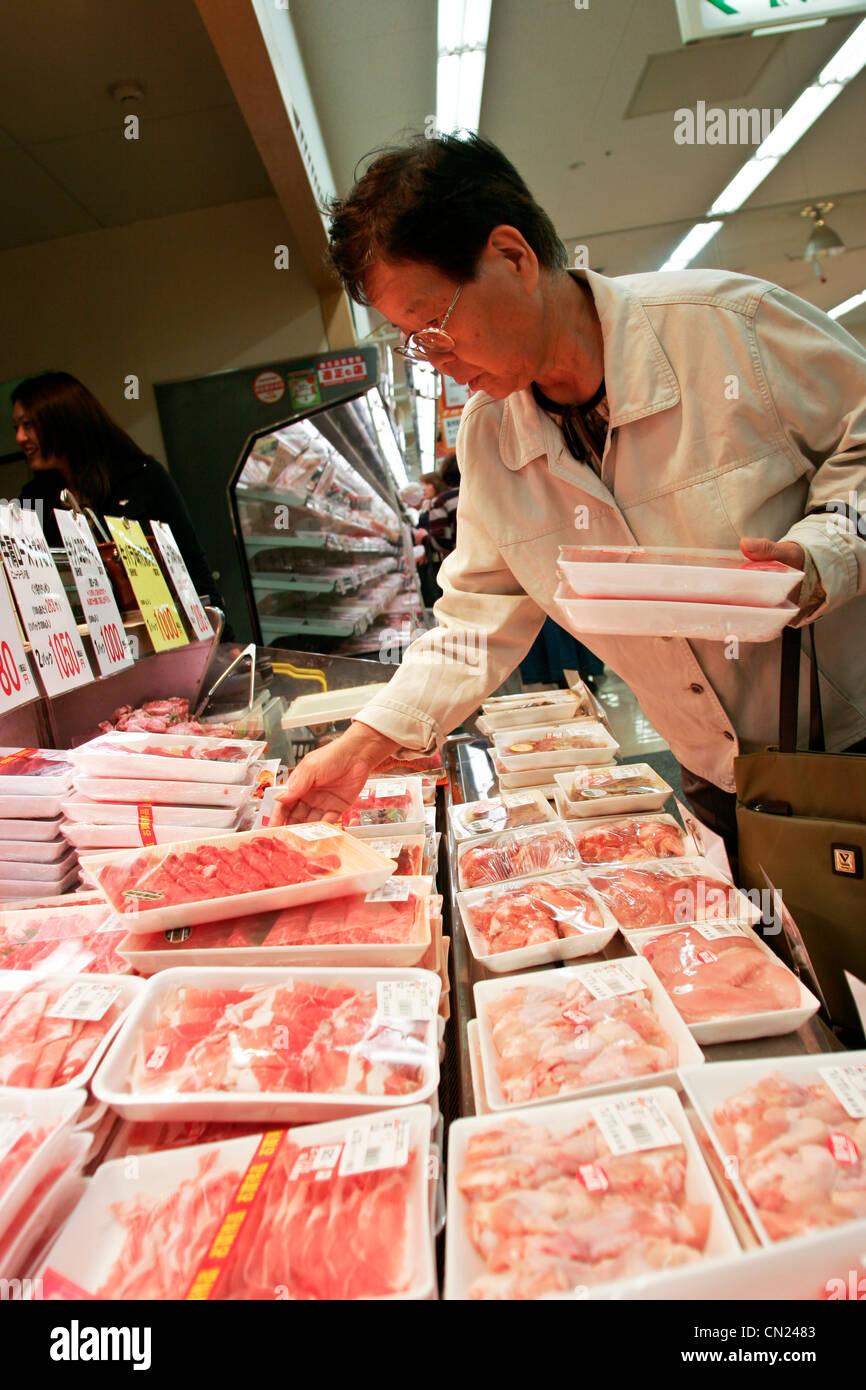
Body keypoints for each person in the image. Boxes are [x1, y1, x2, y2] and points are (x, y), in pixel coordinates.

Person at [273, 133, 866, 871]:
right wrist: (365, 743)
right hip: (720, 778)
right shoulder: (491, 437)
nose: (435, 359)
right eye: (412, 343)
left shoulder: (727, 326)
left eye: (433, 326)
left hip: (853, 741)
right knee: (796, 973)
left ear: (514, 257)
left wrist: (825, 554)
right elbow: (478, 617)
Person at [11, 371, 221, 604]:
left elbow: (192, 564)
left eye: (28, 424)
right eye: (16, 427)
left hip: (161, 628)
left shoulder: (142, 477)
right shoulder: (33, 499)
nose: (20, 437)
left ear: (63, 419)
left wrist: (221, 635)